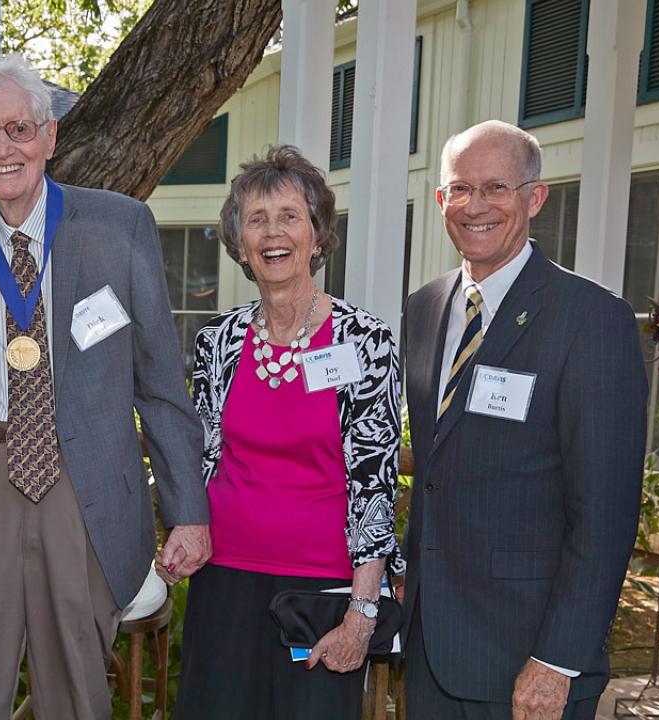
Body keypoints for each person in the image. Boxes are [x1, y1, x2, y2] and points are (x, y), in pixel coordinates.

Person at [0, 53, 211, 719]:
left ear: (50, 136)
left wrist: (187, 510)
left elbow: (159, 381)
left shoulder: (119, 226)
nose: (3, 148)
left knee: (76, 693)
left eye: (19, 129)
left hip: (82, 483)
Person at [402, 120, 647, 719]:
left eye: (496, 188)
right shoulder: (424, 308)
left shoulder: (592, 320)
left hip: (530, 660)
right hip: (432, 649)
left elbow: (605, 512)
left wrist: (558, 659)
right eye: (460, 189)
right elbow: (437, 469)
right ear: (440, 200)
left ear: (535, 198)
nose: (475, 206)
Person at [174, 145, 403, 719]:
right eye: (256, 219)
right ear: (240, 243)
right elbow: (200, 459)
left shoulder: (364, 341)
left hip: (320, 594)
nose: (273, 233)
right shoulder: (218, 342)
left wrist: (362, 612)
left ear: (317, 235)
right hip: (224, 585)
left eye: (289, 216)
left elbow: (374, 485)